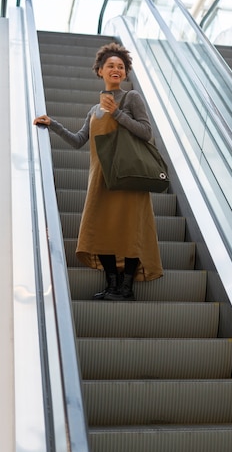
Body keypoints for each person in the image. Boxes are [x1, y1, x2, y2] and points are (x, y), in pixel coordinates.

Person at [34, 42, 163, 300]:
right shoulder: (94, 109)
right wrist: (53, 125)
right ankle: (111, 285)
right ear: (100, 71)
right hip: (101, 178)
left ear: (125, 73)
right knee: (99, 228)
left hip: (127, 177)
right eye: (110, 66)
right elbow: (78, 140)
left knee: (129, 230)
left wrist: (117, 114)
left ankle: (126, 289)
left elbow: (146, 132)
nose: (116, 69)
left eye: (121, 67)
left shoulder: (131, 98)